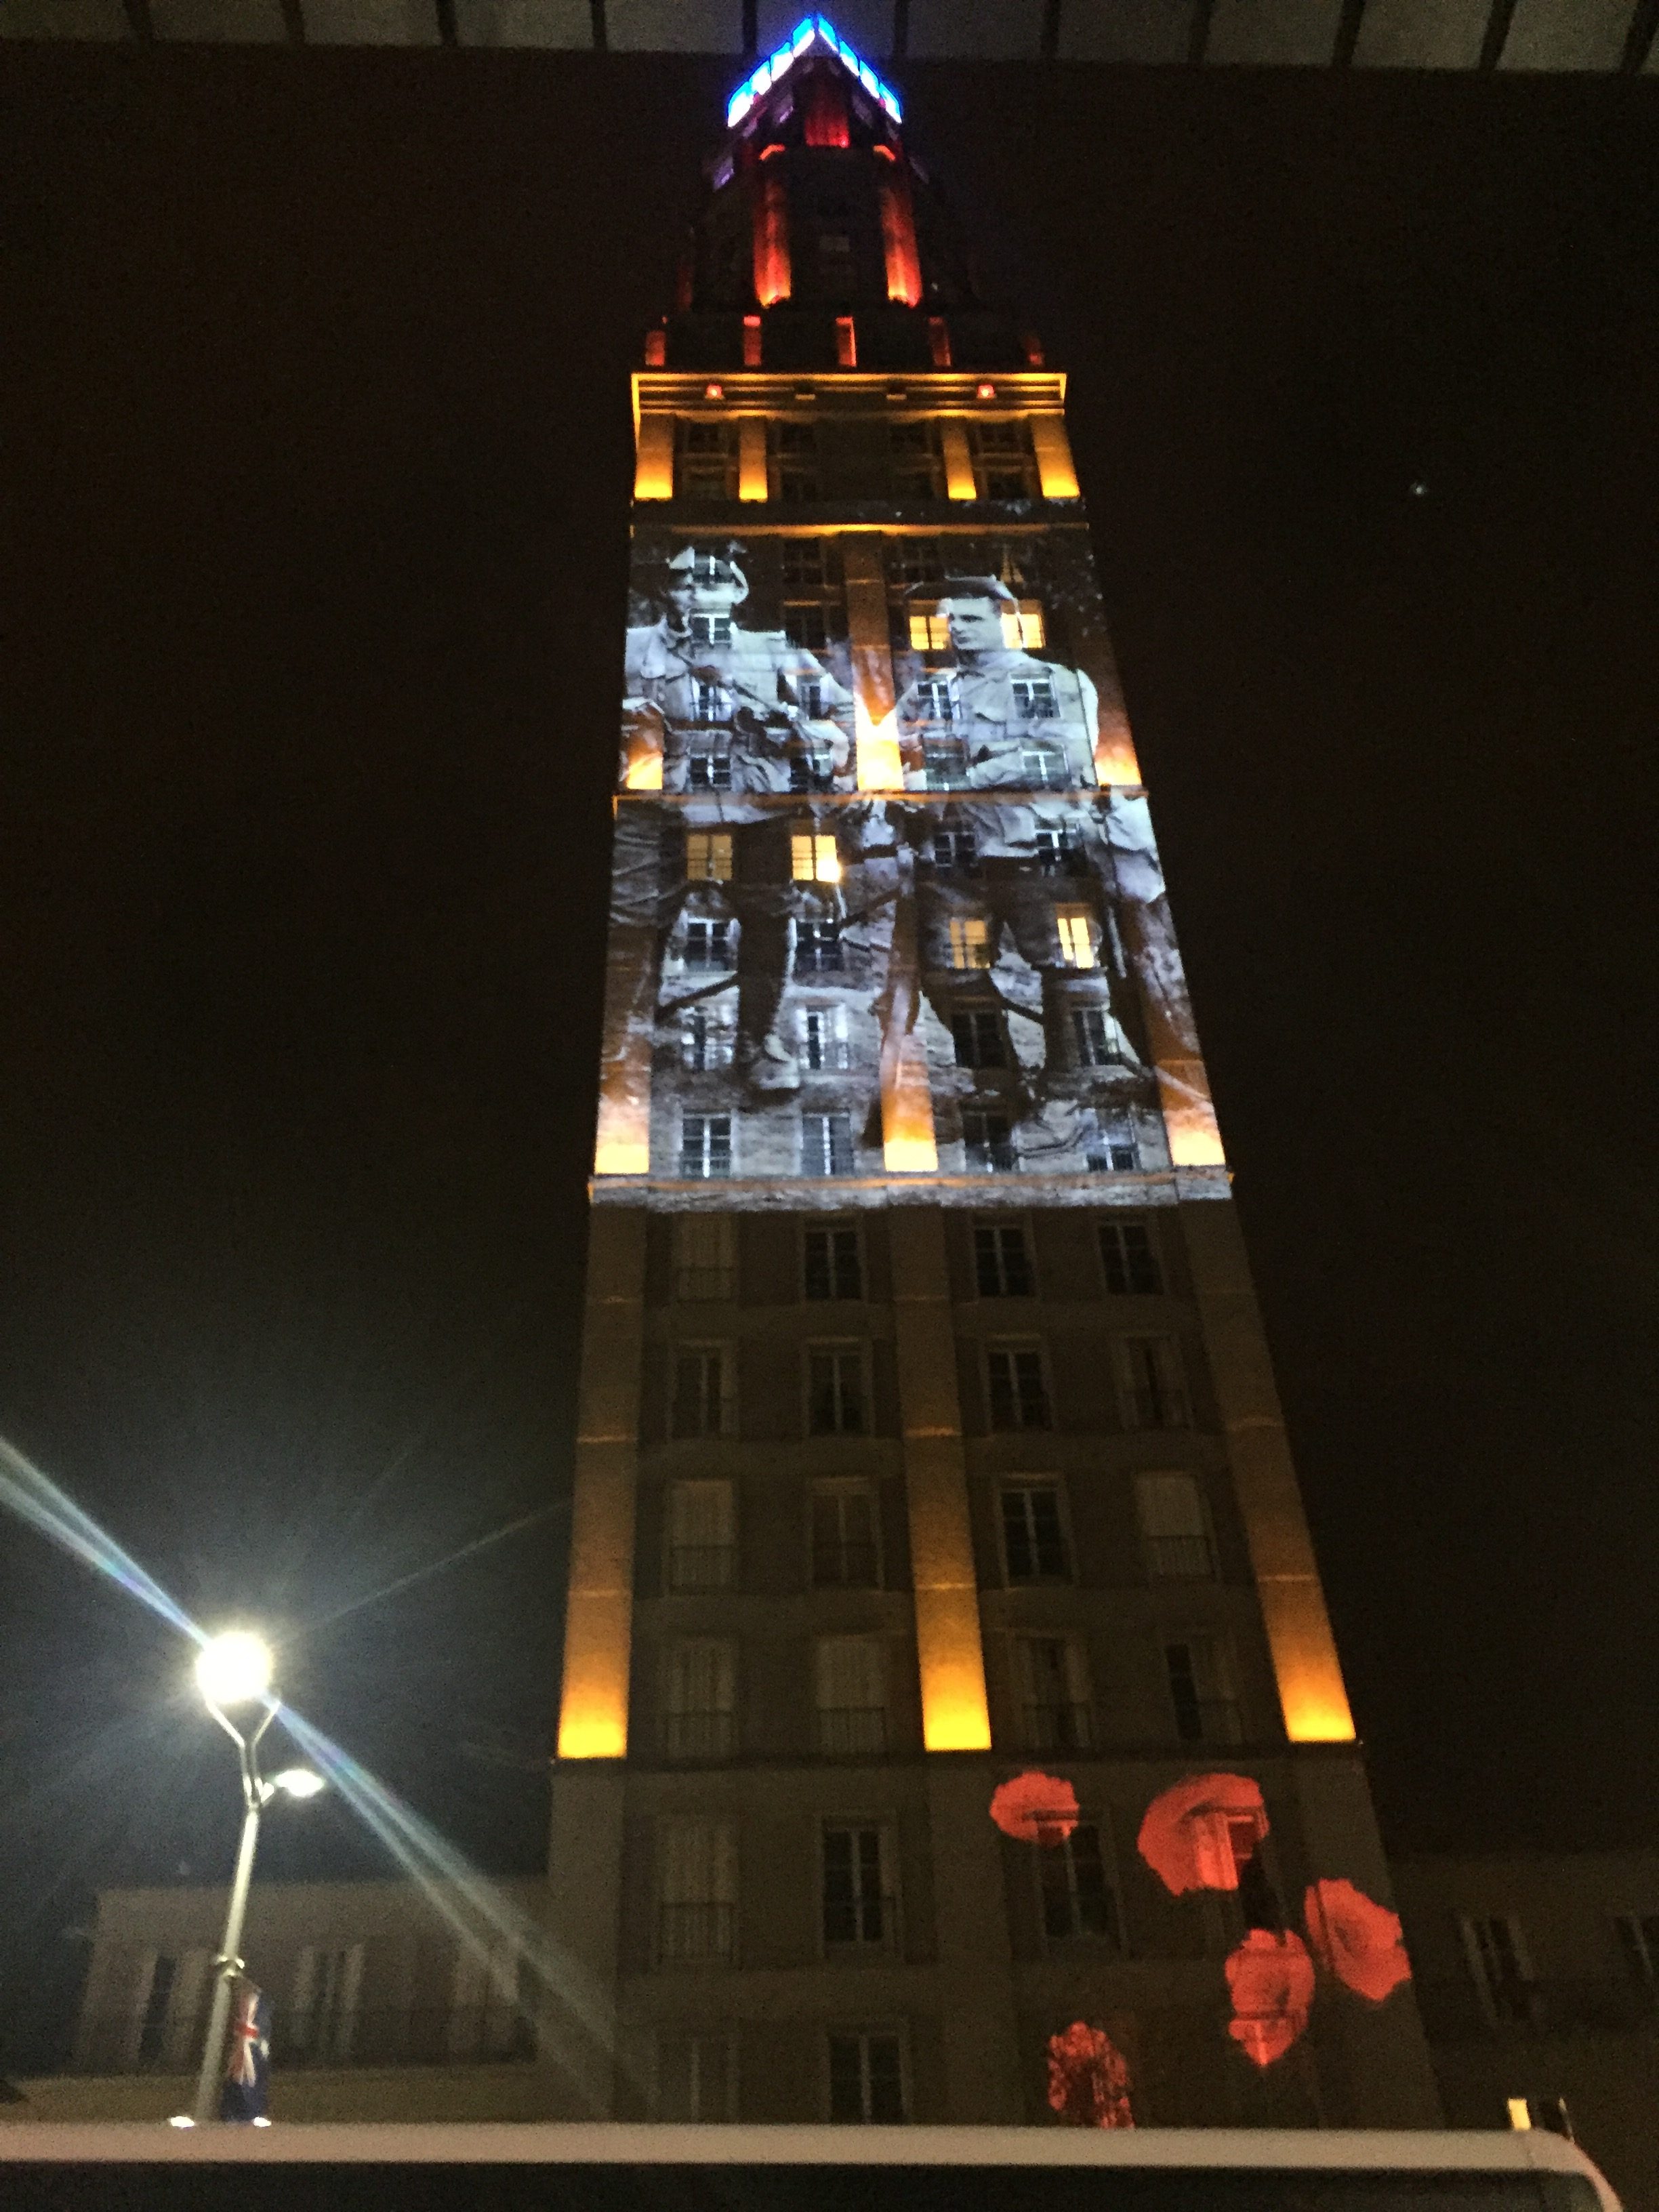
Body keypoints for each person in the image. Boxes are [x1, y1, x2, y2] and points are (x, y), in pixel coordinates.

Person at [620, 545, 854, 1096]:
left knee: (770, 919)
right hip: (662, 811)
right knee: (637, 921)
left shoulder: (770, 650)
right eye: (684, 584)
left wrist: (820, 750)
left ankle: (760, 1040)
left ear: (736, 592)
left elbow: (840, 714)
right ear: (667, 593)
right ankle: (629, 1036)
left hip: (757, 809)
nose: (697, 592)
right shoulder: (632, 648)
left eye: (711, 583)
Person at [895, 575, 1099, 792]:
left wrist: (962, 780)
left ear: (1003, 621)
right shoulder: (938, 686)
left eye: (971, 619)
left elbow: (1068, 755)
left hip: (1029, 815)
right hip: (960, 820)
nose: (957, 627)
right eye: (952, 619)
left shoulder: (1044, 679)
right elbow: (884, 737)